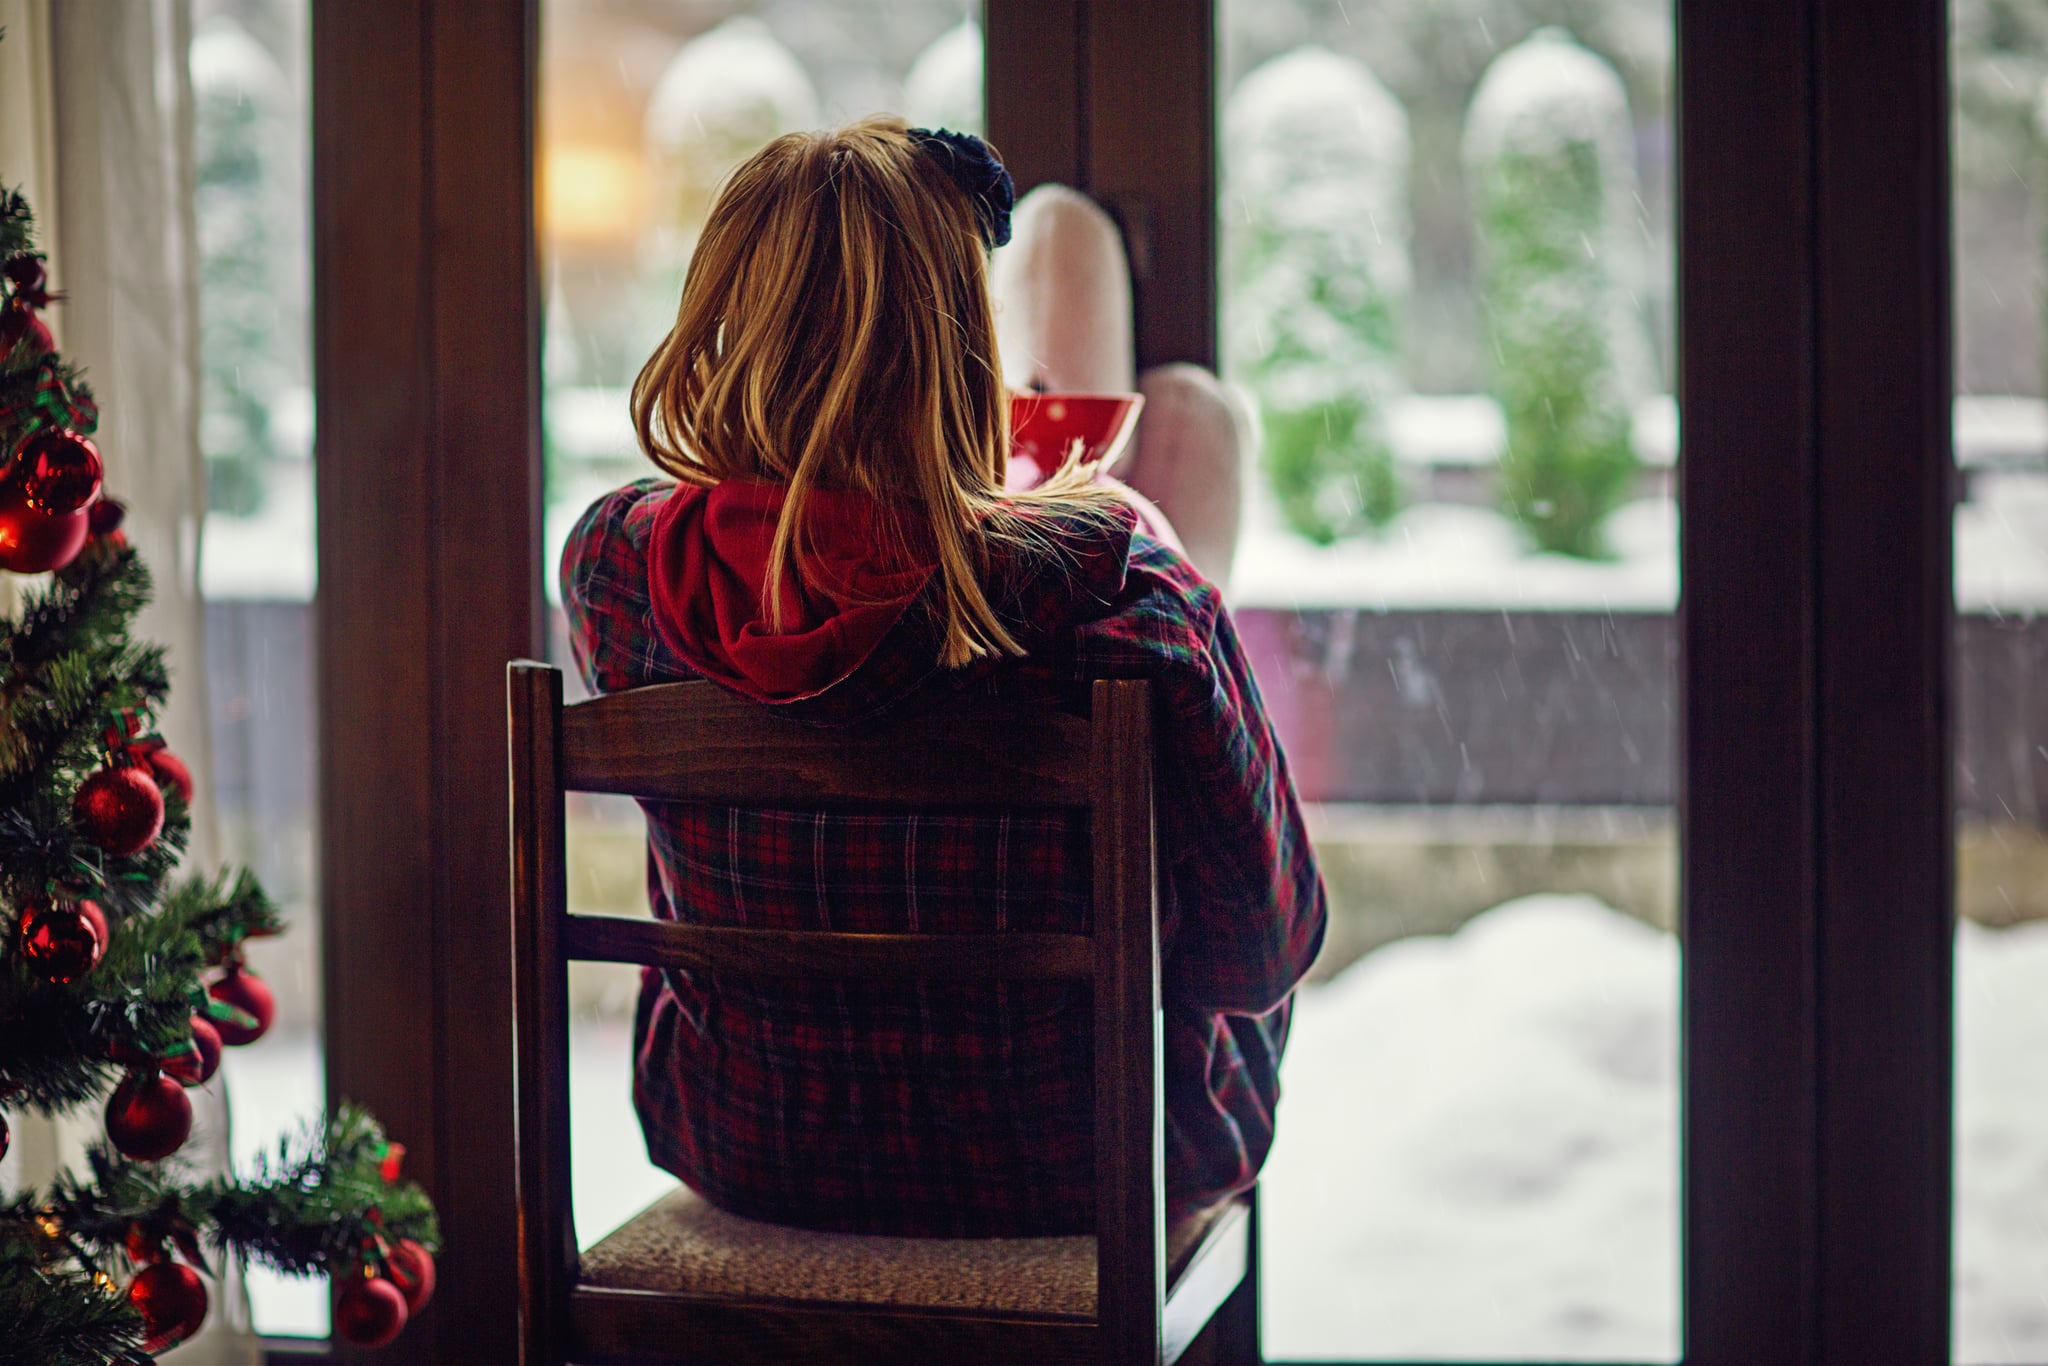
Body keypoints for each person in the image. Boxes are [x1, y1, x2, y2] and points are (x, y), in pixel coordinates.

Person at [562, 116, 1326, 1239]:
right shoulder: (1124, 589)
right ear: (964, 342)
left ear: (719, 313)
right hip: (1091, 1164)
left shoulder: (613, 569)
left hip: (746, 1141)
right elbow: (1263, 943)